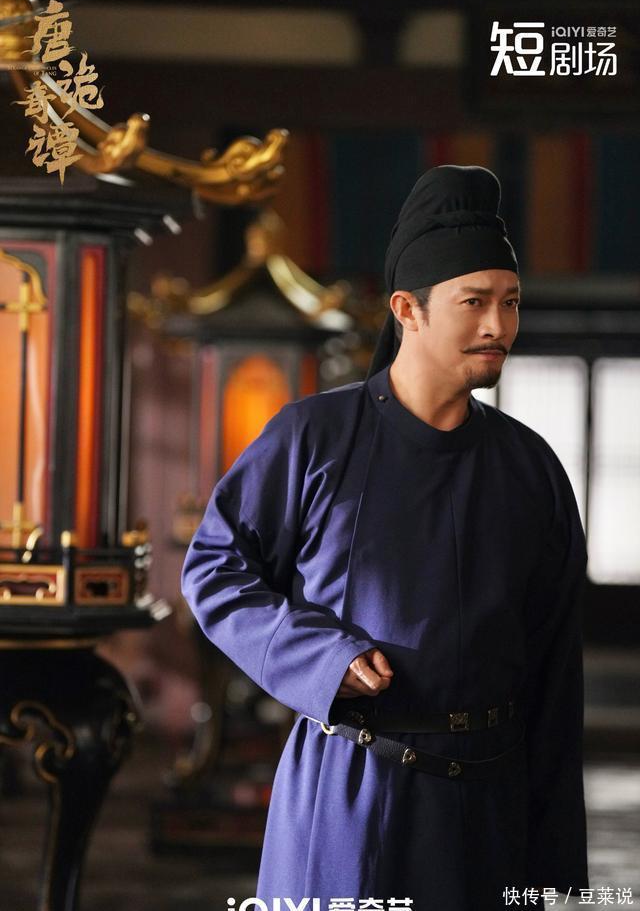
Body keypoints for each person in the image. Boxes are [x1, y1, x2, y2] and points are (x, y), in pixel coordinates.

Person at [181, 165, 589, 911]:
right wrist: (321, 657)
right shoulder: (313, 437)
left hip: (489, 802)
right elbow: (215, 568)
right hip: (351, 788)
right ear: (408, 309)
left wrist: (556, 883)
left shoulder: (532, 469)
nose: (499, 326)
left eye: (511, 301)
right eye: (474, 302)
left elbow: (557, 685)